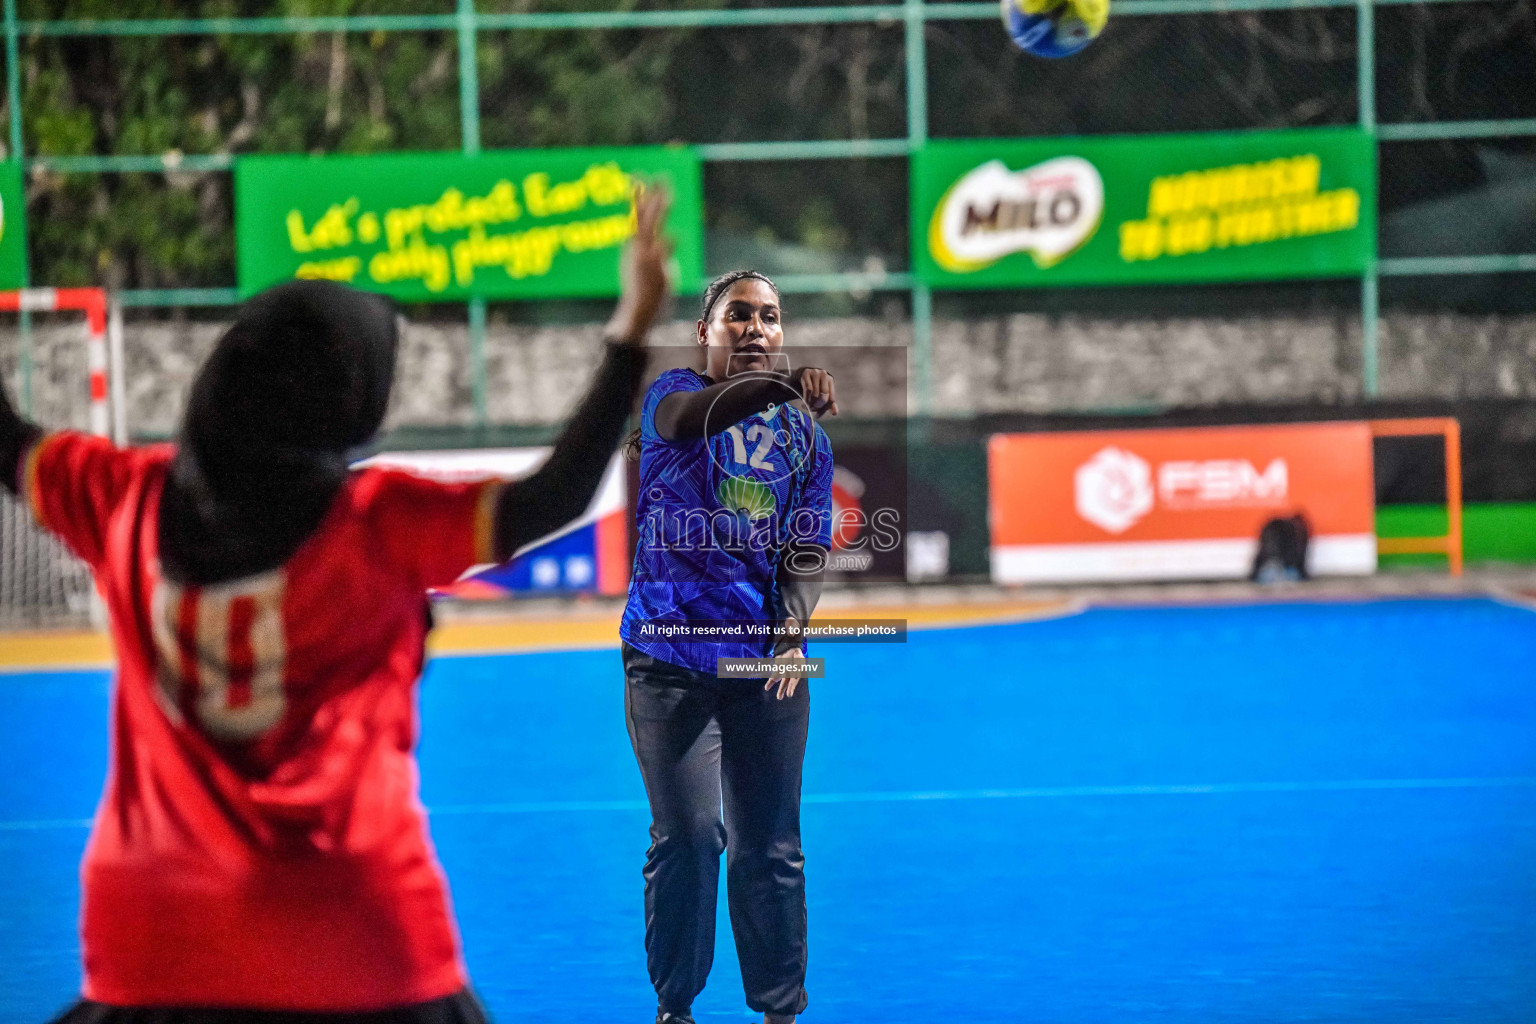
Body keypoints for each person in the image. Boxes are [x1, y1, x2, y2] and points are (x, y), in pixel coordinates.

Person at [1, 188, 674, 1023]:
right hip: (357, 943)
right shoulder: (378, 524)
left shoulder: (118, 498)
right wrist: (631, 331)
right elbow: (555, 495)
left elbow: (2, 433)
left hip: (152, 943)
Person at [618, 270, 839, 1024]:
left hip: (762, 669)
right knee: (689, 838)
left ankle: (780, 1010)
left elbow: (807, 546)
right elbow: (694, 421)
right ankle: (675, 1008)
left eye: (771, 317)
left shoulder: (804, 436)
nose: (756, 328)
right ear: (704, 333)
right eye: (737, 314)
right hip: (668, 662)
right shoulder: (669, 398)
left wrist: (791, 632)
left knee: (770, 848)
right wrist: (784, 389)